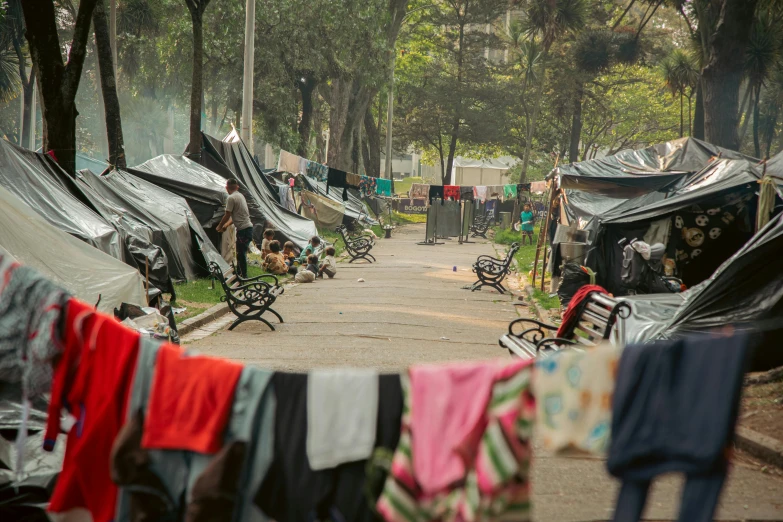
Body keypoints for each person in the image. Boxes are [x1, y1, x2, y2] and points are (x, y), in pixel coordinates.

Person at [217, 178, 254, 278]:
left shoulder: (231, 198)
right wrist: (226, 225)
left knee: (240, 254)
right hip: (248, 228)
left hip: (243, 230)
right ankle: (240, 274)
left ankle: (243, 276)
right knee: (240, 253)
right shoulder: (240, 196)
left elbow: (227, 214)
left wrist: (219, 226)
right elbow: (235, 216)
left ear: (226, 188)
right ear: (237, 187)